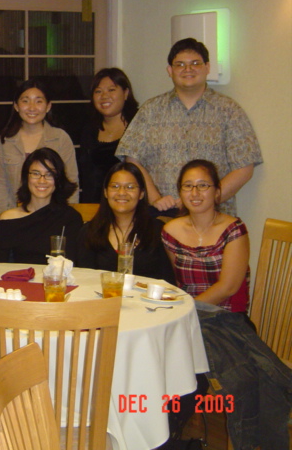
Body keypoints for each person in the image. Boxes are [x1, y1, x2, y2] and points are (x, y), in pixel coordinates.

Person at [116, 38, 263, 217]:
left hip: (213, 219)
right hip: (161, 216)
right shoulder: (150, 110)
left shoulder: (229, 110)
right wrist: (155, 199)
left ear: (207, 67)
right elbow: (132, 159)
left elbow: (244, 168)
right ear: (170, 71)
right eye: (180, 64)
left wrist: (207, 200)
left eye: (195, 63)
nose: (188, 69)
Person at [161, 159, 250, 314]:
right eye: (188, 186)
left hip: (226, 317)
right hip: (187, 316)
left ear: (217, 191)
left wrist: (187, 310)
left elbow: (228, 288)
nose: (195, 193)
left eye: (203, 185)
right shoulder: (171, 231)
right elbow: (177, 282)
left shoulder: (234, 230)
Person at [74, 162, 174, 283]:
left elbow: (167, 281)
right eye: (115, 186)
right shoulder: (89, 232)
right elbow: (83, 280)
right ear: (105, 192)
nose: (121, 192)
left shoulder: (157, 231)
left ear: (141, 193)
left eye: (130, 187)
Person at [0, 79, 79, 215]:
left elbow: (71, 183)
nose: (32, 107)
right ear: (16, 106)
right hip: (15, 216)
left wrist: (69, 217)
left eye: (38, 101)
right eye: (25, 101)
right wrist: (2, 219)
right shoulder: (4, 141)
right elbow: (0, 188)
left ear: (48, 106)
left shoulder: (61, 139)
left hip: (53, 215)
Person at [0, 148, 83, 264]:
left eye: (49, 174)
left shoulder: (70, 218)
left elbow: (72, 265)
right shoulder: (7, 219)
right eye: (35, 174)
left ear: (58, 179)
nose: (42, 180)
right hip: (19, 276)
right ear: (26, 177)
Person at [79, 68, 139, 203]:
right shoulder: (89, 130)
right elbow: (86, 177)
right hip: (95, 205)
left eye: (111, 90)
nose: (104, 96)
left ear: (126, 93)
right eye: (98, 91)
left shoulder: (139, 126)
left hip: (129, 203)